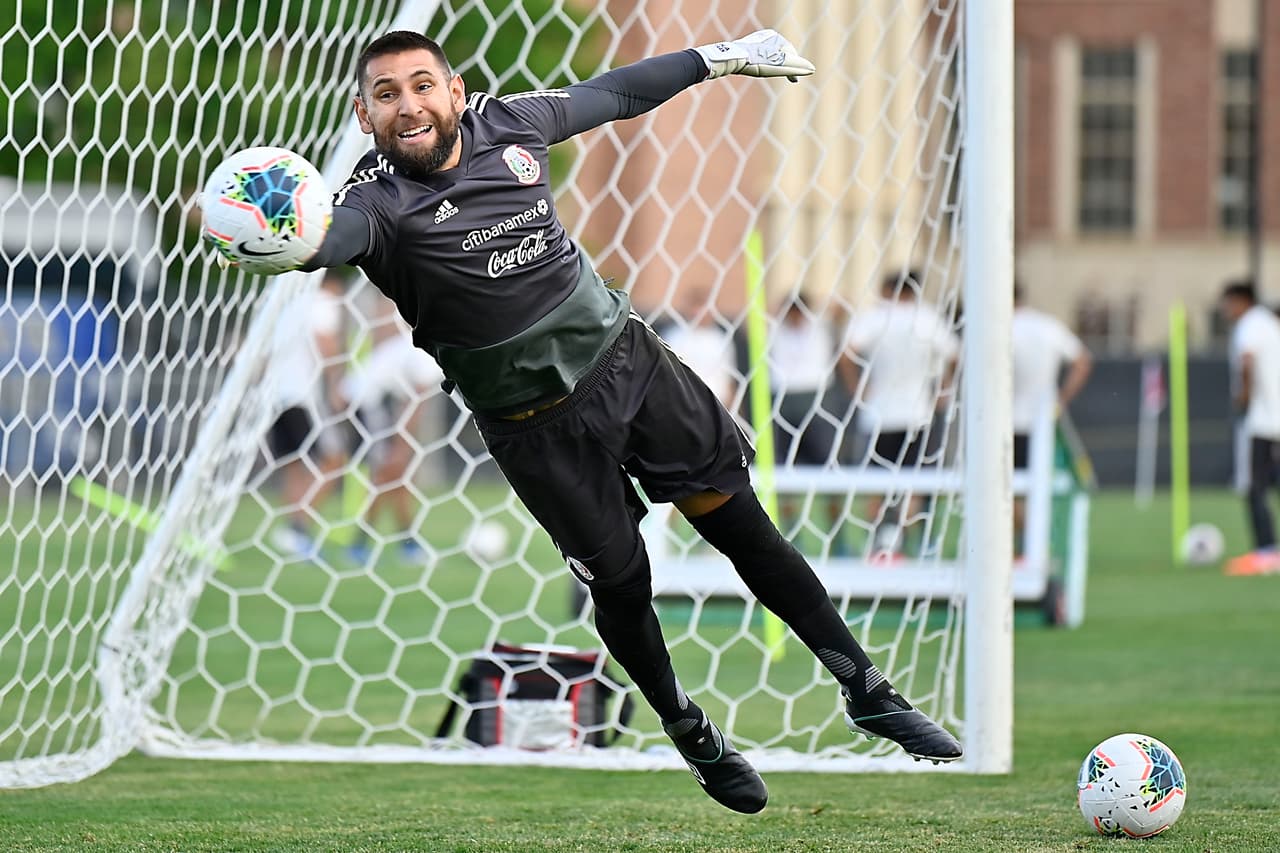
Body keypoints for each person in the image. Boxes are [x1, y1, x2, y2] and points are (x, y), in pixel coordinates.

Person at [215, 29, 959, 814]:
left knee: (742, 528)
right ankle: (687, 726)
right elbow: (335, 239)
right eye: (387, 94)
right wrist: (290, 243)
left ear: (456, 91)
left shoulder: (510, 126)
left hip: (629, 367)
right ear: (363, 115)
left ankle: (866, 687)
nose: (409, 105)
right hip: (534, 429)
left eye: (422, 84)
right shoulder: (376, 202)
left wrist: (722, 56)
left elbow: (617, 93)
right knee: (624, 581)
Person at [840, 271, 959, 557]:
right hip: (918, 414)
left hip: (878, 414)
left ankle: (880, 542)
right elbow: (954, 353)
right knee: (913, 482)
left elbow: (846, 352)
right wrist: (944, 388)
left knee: (877, 481)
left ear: (888, 289)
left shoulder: (876, 318)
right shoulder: (927, 318)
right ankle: (909, 544)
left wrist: (857, 389)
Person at [341, 294, 445, 563]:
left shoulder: (418, 345)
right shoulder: (430, 353)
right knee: (388, 470)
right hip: (367, 404)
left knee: (396, 473)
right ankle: (362, 543)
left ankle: (406, 541)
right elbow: (415, 402)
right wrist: (401, 442)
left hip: (374, 403)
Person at [265, 270, 349, 558]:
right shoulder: (323, 300)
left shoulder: (289, 304)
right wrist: (337, 384)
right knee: (334, 459)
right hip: (303, 396)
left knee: (295, 465)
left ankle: (294, 534)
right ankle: (298, 529)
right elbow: (324, 342)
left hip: (275, 395)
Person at [1011, 282, 1092, 552]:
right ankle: (1033, 543)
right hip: (1041, 421)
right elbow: (1083, 361)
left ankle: (1027, 543)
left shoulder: (994, 325)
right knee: (1035, 484)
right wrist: (1061, 398)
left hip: (1004, 423)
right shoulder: (1046, 326)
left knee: (1006, 487)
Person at [1219, 280, 1280, 576]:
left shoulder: (1251, 325)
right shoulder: (1270, 323)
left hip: (1262, 420)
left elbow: (1247, 360)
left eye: (1228, 303)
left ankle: (1266, 551)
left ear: (1242, 300)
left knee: (1253, 484)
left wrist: (1243, 397)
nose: (1225, 310)